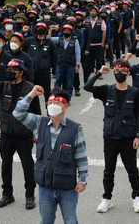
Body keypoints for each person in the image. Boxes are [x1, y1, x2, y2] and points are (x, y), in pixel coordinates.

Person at [13, 86, 88, 224]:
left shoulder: (74, 128)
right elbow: (18, 113)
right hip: (45, 187)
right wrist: (32, 94)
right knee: (46, 221)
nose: (52, 106)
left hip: (67, 188)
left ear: (65, 107)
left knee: (71, 221)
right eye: (50, 103)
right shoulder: (39, 123)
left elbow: (81, 156)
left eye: (56, 103)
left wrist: (82, 180)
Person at [84, 61, 139, 213]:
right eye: (117, 71)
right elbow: (87, 87)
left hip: (128, 137)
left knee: (132, 169)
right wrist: (99, 73)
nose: (120, 74)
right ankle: (106, 198)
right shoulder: (107, 90)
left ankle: (137, 197)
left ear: (128, 73)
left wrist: (137, 136)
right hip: (110, 137)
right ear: (114, 72)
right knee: (108, 170)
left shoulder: (135, 93)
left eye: (123, 71)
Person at [0, 60, 40, 210]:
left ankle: (30, 195)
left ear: (21, 72)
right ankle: (7, 194)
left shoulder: (30, 88)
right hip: (6, 134)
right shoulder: (3, 86)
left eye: (13, 69)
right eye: (8, 69)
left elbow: (37, 113)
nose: (9, 72)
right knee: (6, 165)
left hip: (23, 134)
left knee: (28, 166)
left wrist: (35, 133)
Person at [52, 24, 81, 99]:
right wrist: (50, 30)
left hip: (70, 65)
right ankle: (56, 96)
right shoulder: (58, 39)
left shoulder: (75, 41)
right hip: (60, 64)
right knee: (57, 82)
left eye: (68, 31)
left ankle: (67, 98)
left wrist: (77, 65)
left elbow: (77, 54)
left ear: (71, 32)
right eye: (65, 31)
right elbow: (48, 39)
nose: (66, 32)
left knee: (69, 83)